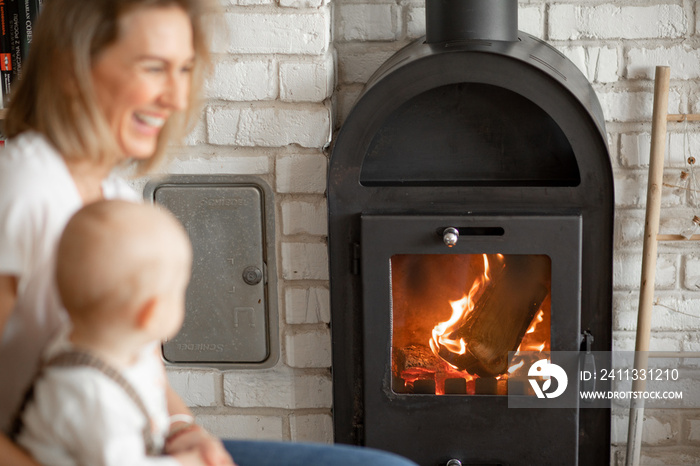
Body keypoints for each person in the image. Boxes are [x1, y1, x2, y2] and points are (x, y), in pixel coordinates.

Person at [0, 1, 417, 465]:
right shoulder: (21, 192)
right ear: (73, 68)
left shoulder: (114, 198)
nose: (177, 98)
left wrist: (186, 431)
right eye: (154, 68)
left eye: (183, 70)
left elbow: (138, 365)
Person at [15, 200, 211, 466]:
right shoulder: (90, 393)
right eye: (180, 290)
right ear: (150, 314)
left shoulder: (116, 345)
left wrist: (182, 432)